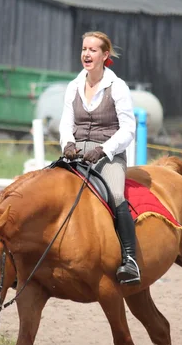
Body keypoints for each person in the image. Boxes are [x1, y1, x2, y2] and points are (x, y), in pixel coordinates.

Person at [59, 31, 140, 286]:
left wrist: (104, 149)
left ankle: (130, 259)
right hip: (77, 153)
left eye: (93, 50)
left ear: (105, 56)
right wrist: (67, 143)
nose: (86, 54)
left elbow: (128, 129)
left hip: (110, 154)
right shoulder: (73, 86)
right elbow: (65, 123)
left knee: (116, 195)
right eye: (84, 49)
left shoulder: (117, 87)